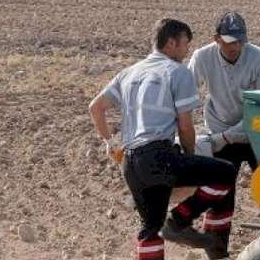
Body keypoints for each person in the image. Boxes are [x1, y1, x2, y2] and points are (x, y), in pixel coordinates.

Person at [89, 18, 239, 260]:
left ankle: (171, 226)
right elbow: (186, 127)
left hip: (130, 162)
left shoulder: (128, 73)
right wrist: (190, 157)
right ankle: (179, 221)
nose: (187, 51)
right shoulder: (178, 72)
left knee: (150, 229)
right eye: (185, 44)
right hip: (160, 156)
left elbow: (95, 107)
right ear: (171, 43)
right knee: (226, 174)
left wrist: (109, 141)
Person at [187, 11, 260, 254]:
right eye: (229, 41)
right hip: (220, 129)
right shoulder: (202, 57)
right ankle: (216, 253)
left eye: (240, 41)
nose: (236, 46)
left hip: (256, 132)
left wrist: (224, 138)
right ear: (216, 39)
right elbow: (185, 95)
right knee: (220, 194)